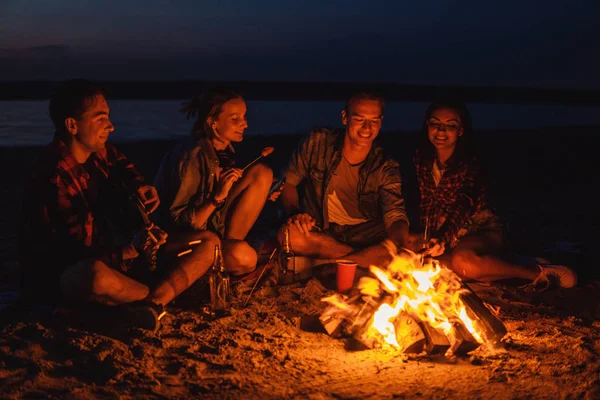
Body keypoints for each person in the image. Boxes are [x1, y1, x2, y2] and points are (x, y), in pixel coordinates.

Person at [18, 79, 220, 330]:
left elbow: (121, 164)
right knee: (92, 275)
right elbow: (75, 256)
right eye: (101, 118)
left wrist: (139, 187)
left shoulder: (99, 153)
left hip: (125, 266)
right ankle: (156, 298)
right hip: (74, 275)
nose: (111, 127)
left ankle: (151, 302)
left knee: (208, 242)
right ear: (72, 125)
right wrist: (132, 249)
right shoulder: (54, 177)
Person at [410, 96, 577, 290]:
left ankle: (538, 273)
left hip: (481, 229)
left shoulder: (470, 163)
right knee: (422, 263)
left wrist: (442, 236)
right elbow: (427, 203)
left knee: (463, 262)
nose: (441, 131)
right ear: (427, 126)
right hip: (446, 235)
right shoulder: (422, 159)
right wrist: (427, 237)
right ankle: (496, 266)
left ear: (461, 130)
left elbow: (464, 203)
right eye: (435, 123)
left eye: (450, 125)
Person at [153, 87, 276, 277]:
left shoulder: (225, 152)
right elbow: (179, 223)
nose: (245, 124)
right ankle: (221, 262)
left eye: (244, 117)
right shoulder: (191, 157)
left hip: (215, 236)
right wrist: (217, 198)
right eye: (235, 119)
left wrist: (266, 193)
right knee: (245, 257)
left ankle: (230, 249)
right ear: (213, 123)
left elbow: (223, 210)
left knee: (262, 173)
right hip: (181, 244)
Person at [278, 92, 410, 268]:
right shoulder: (317, 143)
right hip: (323, 230)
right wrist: (295, 214)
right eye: (359, 119)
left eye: (374, 120)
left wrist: (399, 245)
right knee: (289, 235)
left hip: (367, 234)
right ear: (344, 117)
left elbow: (395, 214)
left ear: (381, 122)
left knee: (415, 242)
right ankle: (364, 262)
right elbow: (288, 183)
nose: (367, 127)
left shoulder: (385, 165)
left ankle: (334, 263)